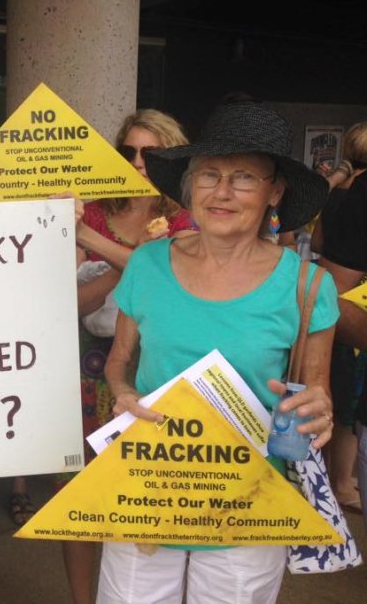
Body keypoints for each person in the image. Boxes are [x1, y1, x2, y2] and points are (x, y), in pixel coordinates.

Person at [99, 101, 337, 603]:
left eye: (244, 177)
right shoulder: (147, 264)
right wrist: (121, 392)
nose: (221, 192)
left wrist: (319, 414)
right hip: (148, 490)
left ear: (275, 191)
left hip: (247, 502)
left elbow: (318, 395)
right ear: (190, 184)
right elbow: (119, 362)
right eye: (209, 174)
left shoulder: (306, 286)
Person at [62, 109, 196, 604]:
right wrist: (132, 267)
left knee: (144, 491)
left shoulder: (185, 216)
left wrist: (95, 246)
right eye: (128, 151)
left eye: (152, 153)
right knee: (78, 494)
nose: (138, 162)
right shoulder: (93, 209)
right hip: (84, 366)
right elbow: (67, 304)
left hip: (154, 368)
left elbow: (178, 286)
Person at [318, 131, 367, 525]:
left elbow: (317, 241)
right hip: (354, 313)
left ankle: (340, 482)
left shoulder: (342, 195)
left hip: (329, 302)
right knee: (347, 402)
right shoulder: (360, 196)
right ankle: (343, 484)